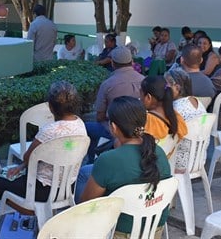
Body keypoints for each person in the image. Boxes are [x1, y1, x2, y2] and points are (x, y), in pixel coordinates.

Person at [77, 96, 171, 238]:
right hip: (154, 230)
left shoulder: (107, 160)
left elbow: (86, 204)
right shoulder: (159, 152)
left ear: (113, 127)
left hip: (118, 232)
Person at [0, 81, 87, 212]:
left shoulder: (48, 131)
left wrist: (23, 164)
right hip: (68, 187)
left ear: (51, 107)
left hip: (40, 191)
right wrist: (21, 167)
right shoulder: (81, 125)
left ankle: (31, 210)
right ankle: (38, 211)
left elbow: (28, 157)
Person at [84, 46, 144, 162]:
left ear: (112, 63)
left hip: (114, 131)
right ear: (132, 62)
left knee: (86, 127)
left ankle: (91, 162)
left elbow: (100, 116)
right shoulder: (144, 80)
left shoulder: (107, 84)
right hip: (139, 129)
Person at [164, 68, 207, 173]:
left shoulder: (175, 108)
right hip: (199, 159)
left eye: (167, 86)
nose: (164, 89)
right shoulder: (198, 102)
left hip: (179, 163)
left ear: (177, 88)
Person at [140, 75, 188, 158]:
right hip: (164, 163)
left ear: (148, 97)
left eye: (140, 95)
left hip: (147, 166)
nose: (140, 99)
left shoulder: (148, 120)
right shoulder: (176, 117)